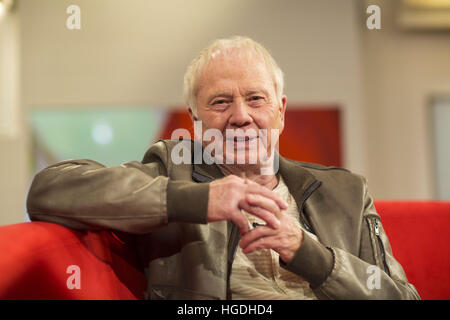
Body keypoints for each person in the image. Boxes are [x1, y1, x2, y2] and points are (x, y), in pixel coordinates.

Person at [26, 36, 420, 300]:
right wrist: (198, 199)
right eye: (220, 103)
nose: (240, 116)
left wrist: (306, 250)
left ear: (280, 112)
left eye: (255, 98)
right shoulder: (171, 171)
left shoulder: (346, 192)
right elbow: (50, 190)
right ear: (195, 118)